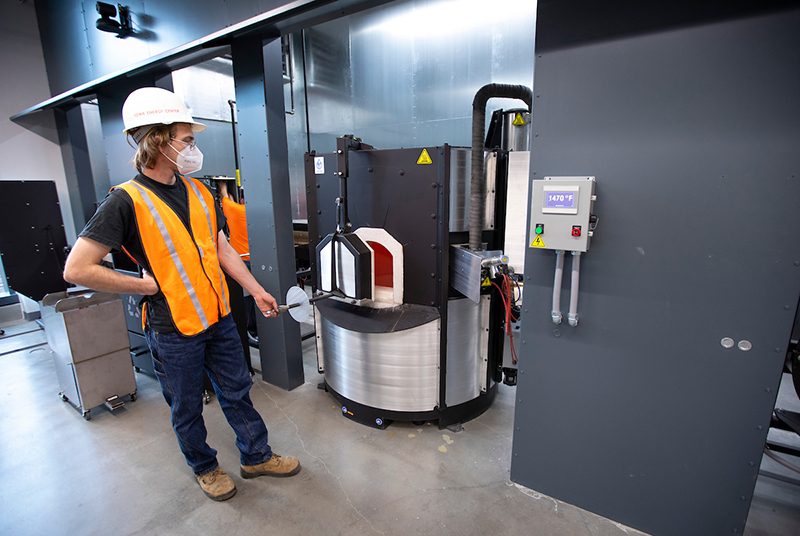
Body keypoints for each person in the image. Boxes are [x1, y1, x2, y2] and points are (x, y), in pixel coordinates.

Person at [63, 87, 300, 501]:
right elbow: (77, 269)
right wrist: (144, 285)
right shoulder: (125, 201)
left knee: (237, 390)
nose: (193, 148)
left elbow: (221, 247)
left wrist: (257, 290)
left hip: (219, 317)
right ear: (158, 140)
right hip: (172, 329)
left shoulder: (200, 191)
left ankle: (255, 456)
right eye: (186, 139)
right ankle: (204, 467)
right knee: (187, 405)